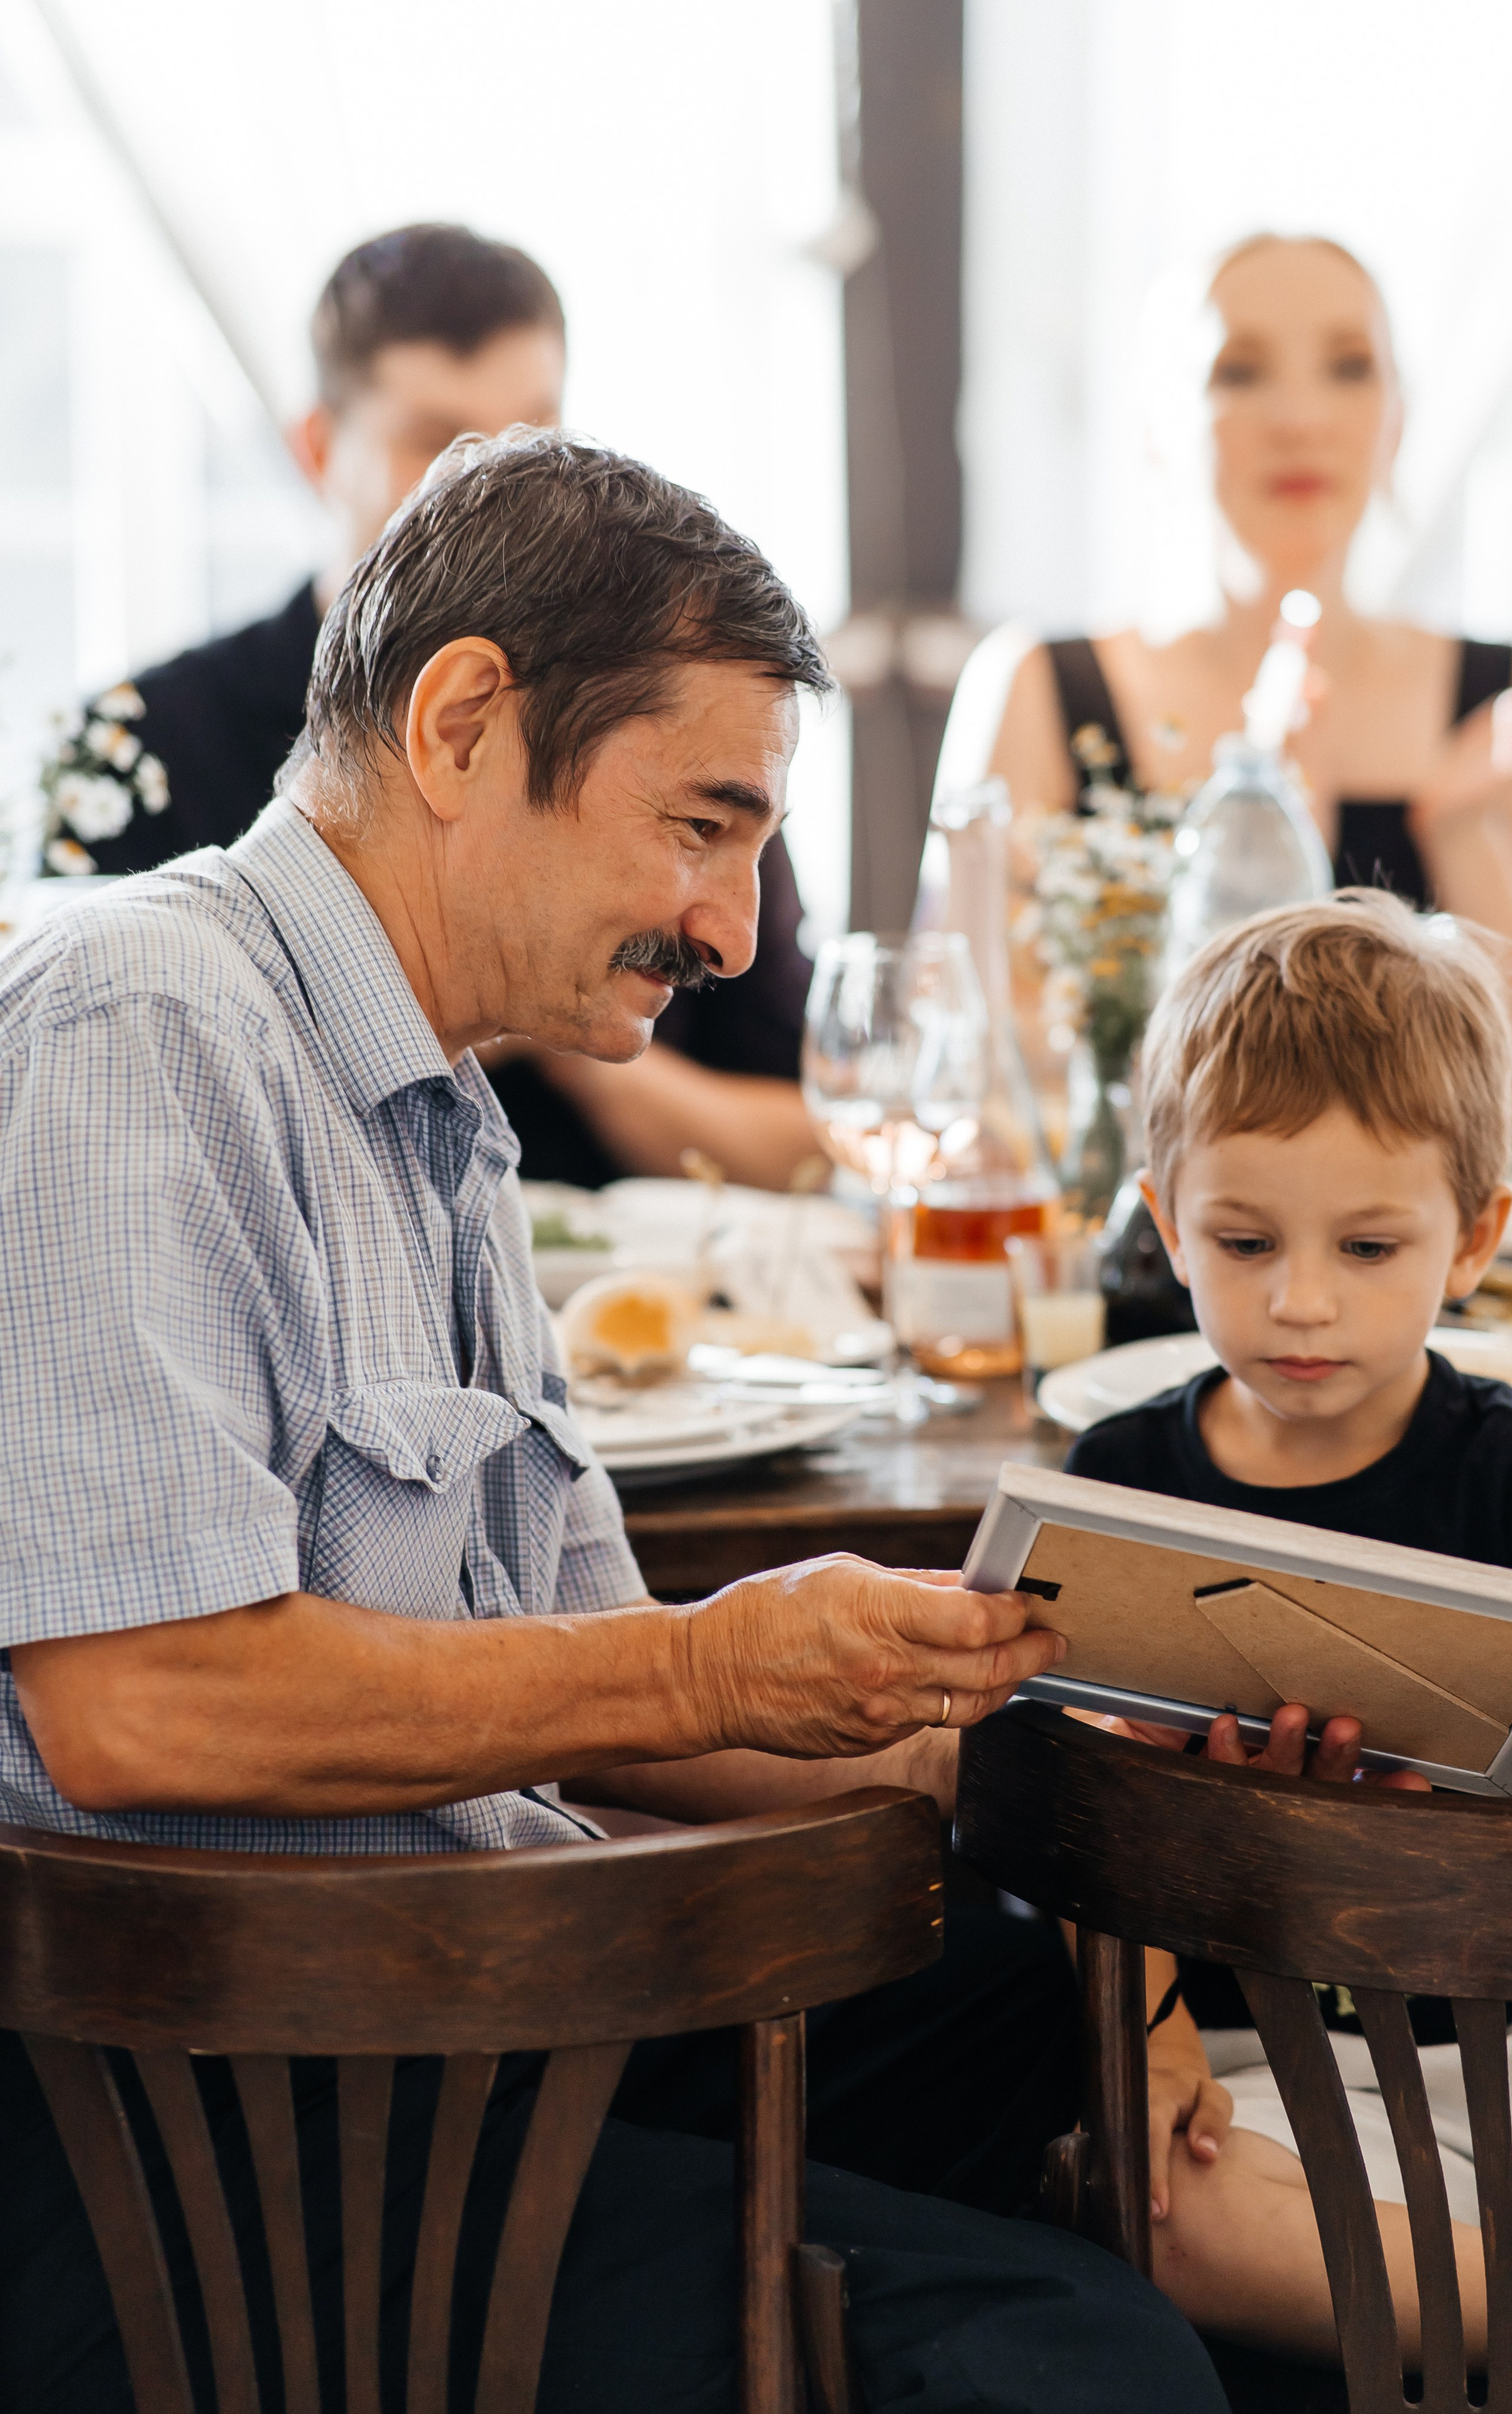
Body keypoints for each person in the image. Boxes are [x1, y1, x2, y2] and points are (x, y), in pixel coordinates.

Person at [0, 429, 1225, 2414]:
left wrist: (989, 1739)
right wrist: (712, 1656)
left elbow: (606, 1706)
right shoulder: (146, 1022)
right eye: (703, 825)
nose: (736, 931)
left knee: (1045, 2028)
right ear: (465, 720)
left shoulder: (450, 1116)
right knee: (1073, 2357)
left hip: (483, 1996)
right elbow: (143, 1701)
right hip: (202, 2120)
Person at [1066, 889, 1512, 2371]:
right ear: (1168, 1220)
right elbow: (1044, 1818)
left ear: (1474, 1236)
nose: (1299, 1305)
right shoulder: (1110, 1490)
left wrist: (1434, 1828)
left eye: (1369, 1248)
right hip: (1270, 2072)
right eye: (1240, 1241)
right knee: (1172, 2215)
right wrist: (1155, 2024)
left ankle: (1477, 2293)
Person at [38, 221, 818, 1190]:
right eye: (440, 442)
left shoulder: (662, 720)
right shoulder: (146, 806)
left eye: (536, 436)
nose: (497, 479)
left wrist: (555, 1026)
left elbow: (811, 1124)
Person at [987, 231, 1512, 1150]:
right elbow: (988, 1075)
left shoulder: (1494, 697)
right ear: (1159, 422)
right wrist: (1261, 856)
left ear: (1398, 419)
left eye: (1350, 369)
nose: (1301, 417)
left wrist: (1462, 829)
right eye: (1239, 373)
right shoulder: (1047, 684)